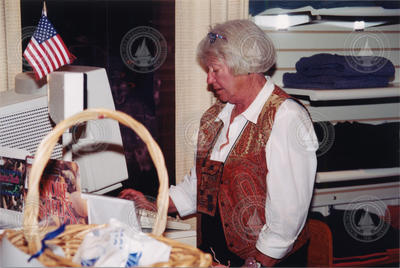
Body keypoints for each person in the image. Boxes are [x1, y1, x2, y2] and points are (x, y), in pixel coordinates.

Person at [119, 19, 318, 267]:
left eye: (215, 70)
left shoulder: (286, 117)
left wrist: (256, 263)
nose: (209, 81)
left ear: (245, 66)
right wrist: (151, 203)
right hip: (214, 257)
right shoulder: (215, 117)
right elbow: (201, 187)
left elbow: (288, 217)